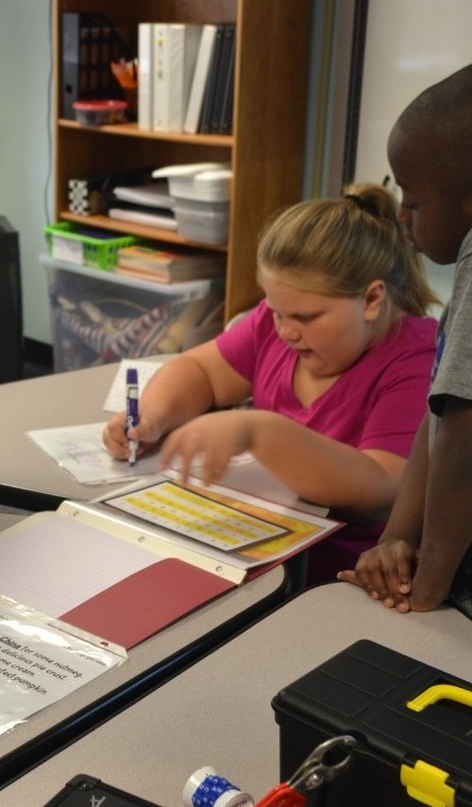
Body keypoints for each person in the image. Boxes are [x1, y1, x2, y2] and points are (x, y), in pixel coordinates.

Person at [103, 186, 439, 583]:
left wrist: (259, 432)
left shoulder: (416, 356)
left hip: (340, 580)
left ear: (371, 300)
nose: (287, 331)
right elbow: (201, 371)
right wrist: (152, 417)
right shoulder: (274, 324)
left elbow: (383, 491)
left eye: (306, 317)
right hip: (260, 551)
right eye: (276, 311)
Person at [339, 58, 472, 672]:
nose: (403, 216)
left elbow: (470, 433)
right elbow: (445, 408)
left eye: (415, 201)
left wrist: (425, 586)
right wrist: (394, 539)